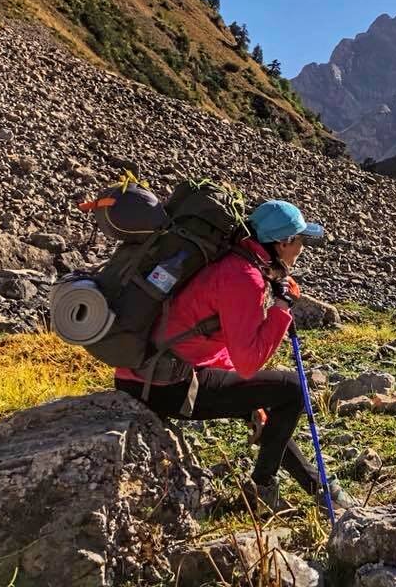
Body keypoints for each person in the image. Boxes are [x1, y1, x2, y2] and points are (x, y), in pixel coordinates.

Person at [114, 200, 353, 512]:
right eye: (301, 241)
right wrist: (282, 310)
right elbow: (249, 362)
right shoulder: (244, 277)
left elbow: (215, 343)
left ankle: (318, 489)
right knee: (294, 388)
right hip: (166, 386)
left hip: (148, 373)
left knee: (267, 396)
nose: (302, 249)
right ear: (283, 243)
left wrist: (250, 398)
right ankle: (263, 488)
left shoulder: (232, 260)